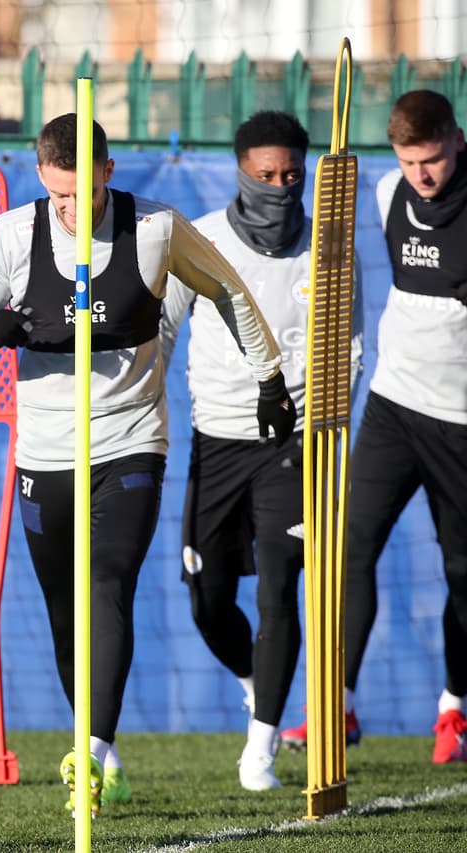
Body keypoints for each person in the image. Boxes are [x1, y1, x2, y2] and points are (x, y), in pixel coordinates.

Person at [0, 113, 293, 814]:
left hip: (131, 439)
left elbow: (228, 290)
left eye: (85, 192)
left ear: (108, 172)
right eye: (59, 195)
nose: (72, 208)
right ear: (42, 179)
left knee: (109, 582)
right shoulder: (12, 236)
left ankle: (91, 754)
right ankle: (105, 748)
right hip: (44, 452)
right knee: (66, 615)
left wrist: (270, 378)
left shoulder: (155, 229)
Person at [159, 111, 363, 791]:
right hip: (216, 440)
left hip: (293, 445)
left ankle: (262, 749)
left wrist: (324, 427)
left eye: (291, 175)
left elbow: (350, 347)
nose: (279, 187)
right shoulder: (202, 240)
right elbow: (161, 333)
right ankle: (256, 683)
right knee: (207, 598)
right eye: (265, 175)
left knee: (280, 587)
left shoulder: (329, 248)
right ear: (241, 171)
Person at [281, 89, 467, 764]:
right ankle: (338, 705)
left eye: (433, 159)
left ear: (458, 141)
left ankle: (453, 710)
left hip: (462, 423)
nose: (422, 174)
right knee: (346, 547)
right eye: (409, 160)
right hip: (394, 406)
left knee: (462, 571)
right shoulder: (389, 192)